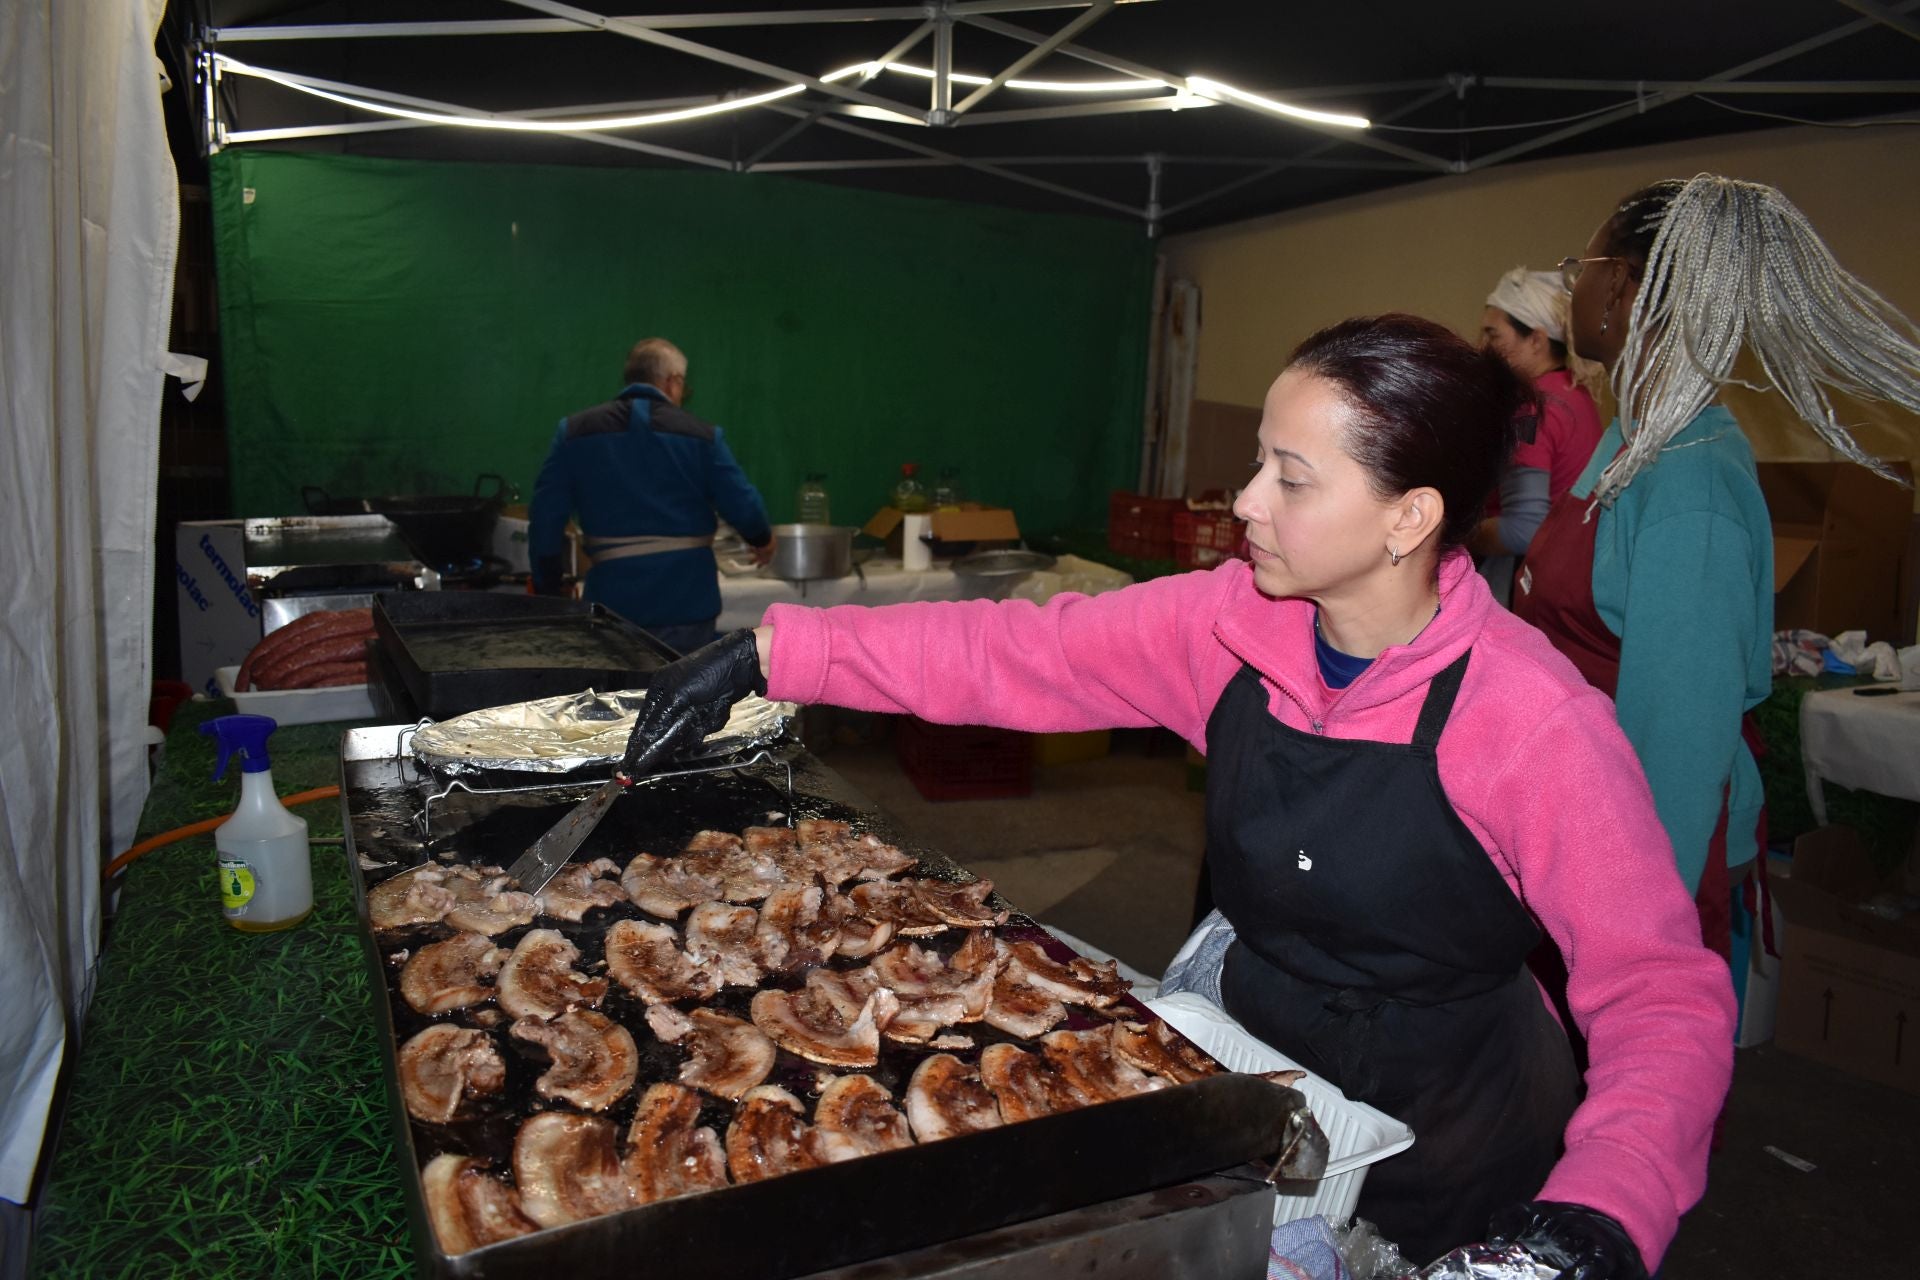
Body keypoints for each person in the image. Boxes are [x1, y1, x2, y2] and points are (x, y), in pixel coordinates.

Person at [631, 315, 1736, 1273]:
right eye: (1261, 458)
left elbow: (1662, 993)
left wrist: (1608, 1207)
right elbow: (1014, 649)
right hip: (1252, 1078)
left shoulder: (1530, 719)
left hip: (1453, 1134)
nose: (1248, 500)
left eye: (1292, 478)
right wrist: (779, 652)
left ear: (1410, 518)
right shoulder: (1232, 625)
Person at [1514, 175, 1916, 961]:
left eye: (1579, 264)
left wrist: (1627, 930)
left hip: (1637, 860)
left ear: (1620, 292)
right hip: (1573, 823)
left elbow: (1677, 747)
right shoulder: (1635, 443)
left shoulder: (1691, 481)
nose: (1574, 283)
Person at [529, 337, 773, 654]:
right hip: (686, 602)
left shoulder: (574, 432)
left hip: (611, 603)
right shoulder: (702, 436)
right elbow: (743, 505)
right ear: (673, 382)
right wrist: (762, 538)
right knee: (686, 698)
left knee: (613, 699)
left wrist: (549, 587)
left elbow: (546, 517)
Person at [1472, 267, 1606, 605]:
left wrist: (1447, 534)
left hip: (1533, 582)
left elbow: (1524, 529)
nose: (1481, 347)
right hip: (1573, 577)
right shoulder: (1576, 393)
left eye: (1493, 334)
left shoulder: (1532, 407)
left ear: (1536, 339)